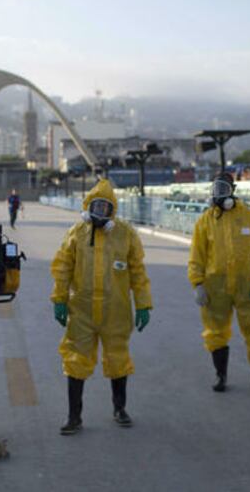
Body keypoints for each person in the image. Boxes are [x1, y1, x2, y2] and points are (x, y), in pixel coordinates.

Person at [50, 179, 152, 435]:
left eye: (105, 207)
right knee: (75, 360)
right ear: (88, 206)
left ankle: (120, 408)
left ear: (112, 210)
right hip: (81, 311)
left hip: (115, 311)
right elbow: (62, 268)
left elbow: (138, 272)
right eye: (95, 206)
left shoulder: (125, 234)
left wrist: (143, 305)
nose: (100, 212)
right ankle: (74, 416)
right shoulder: (76, 233)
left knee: (118, 358)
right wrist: (59, 299)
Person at [188, 172, 250, 396]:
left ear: (233, 191)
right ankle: (221, 375)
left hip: (245, 288)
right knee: (215, 332)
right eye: (216, 189)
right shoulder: (205, 221)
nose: (219, 194)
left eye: (224, 189)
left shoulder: (249, 218)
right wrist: (198, 284)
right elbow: (196, 257)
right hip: (215, 288)